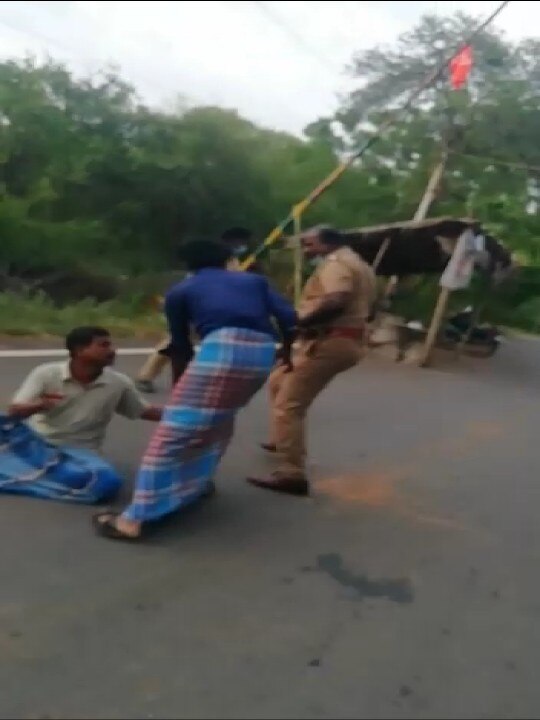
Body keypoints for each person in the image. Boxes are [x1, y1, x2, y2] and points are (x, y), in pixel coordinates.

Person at [93, 239, 296, 541]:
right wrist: (289, 352)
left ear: (188, 265)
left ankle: (133, 521)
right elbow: (291, 319)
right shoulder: (254, 281)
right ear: (228, 259)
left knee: (174, 432)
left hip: (220, 348)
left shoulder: (181, 291)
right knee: (220, 421)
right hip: (262, 353)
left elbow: (179, 347)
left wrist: (179, 391)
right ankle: (196, 484)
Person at [248, 225, 377, 497]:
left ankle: (292, 473)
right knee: (278, 381)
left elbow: (335, 300)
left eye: (309, 245)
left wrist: (297, 323)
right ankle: (282, 440)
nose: (306, 251)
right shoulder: (360, 265)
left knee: (289, 404)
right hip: (340, 338)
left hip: (330, 341)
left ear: (328, 244)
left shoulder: (337, 264)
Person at [2, 326, 162, 503]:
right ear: (80, 350)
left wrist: (190, 416)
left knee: (106, 482)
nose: (112, 351)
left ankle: (31, 476)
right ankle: (41, 472)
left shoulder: (118, 383)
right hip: (38, 444)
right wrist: (41, 405)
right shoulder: (46, 373)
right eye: (103, 345)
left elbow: (145, 411)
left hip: (79, 453)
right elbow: (14, 412)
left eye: (111, 345)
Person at [134, 227, 261, 393]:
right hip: (199, 302)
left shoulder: (223, 257)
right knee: (175, 341)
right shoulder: (218, 257)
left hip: (209, 303)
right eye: (240, 241)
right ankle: (146, 376)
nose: (242, 245)